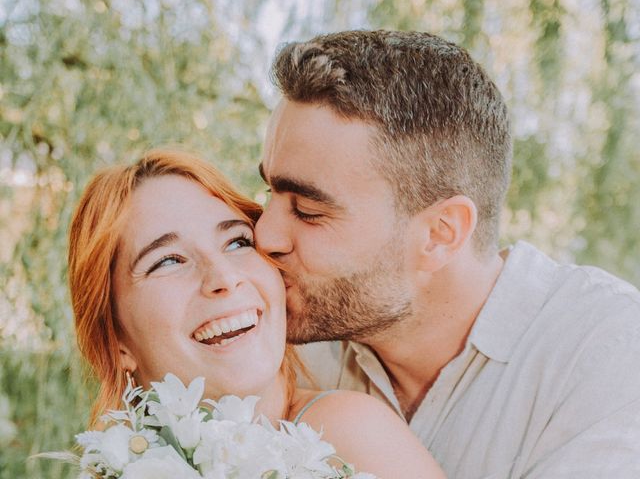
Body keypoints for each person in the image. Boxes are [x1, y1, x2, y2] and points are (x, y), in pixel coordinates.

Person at [256, 30, 640, 478]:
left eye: (308, 211)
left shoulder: (606, 354)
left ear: (440, 233)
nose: (264, 236)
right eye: (268, 194)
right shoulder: (277, 346)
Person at [67, 149, 445, 478]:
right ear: (116, 340)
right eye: (168, 260)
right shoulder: (117, 466)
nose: (224, 278)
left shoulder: (347, 434)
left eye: (237, 241)